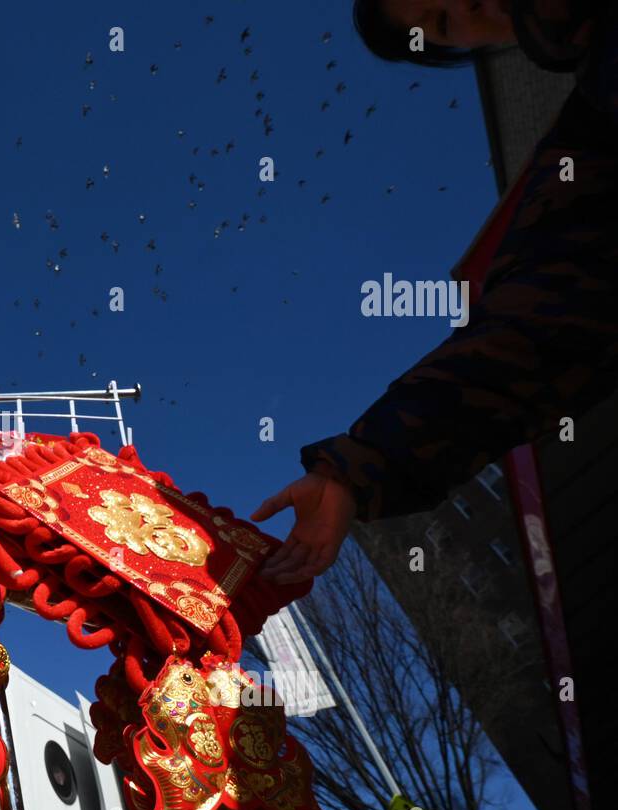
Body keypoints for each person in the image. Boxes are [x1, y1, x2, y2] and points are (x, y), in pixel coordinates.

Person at [253, 0, 618, 584]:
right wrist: (360, 466)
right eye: (444, 24)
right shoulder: (593, 140)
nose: (462, 2)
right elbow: (537, 325)